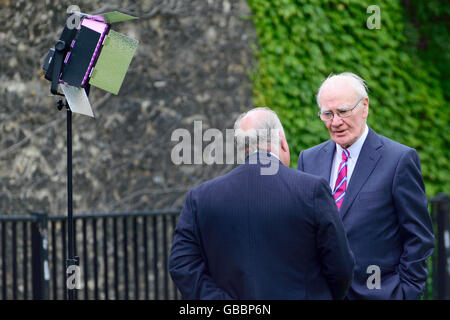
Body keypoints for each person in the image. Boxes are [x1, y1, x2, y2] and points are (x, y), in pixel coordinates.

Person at [169, 107, 354, 299]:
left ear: (243, 149)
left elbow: (181, 265)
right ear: (282, 141)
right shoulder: (312, 190)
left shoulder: (201, 198)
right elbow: (341, 267)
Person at [297, 72, 435, 299]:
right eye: (327, 114)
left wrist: (406, 294)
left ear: (365, 107)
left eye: (343, 111)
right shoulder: (308, 159)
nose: (336, 122)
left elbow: (419, 238)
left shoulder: (399, 160)